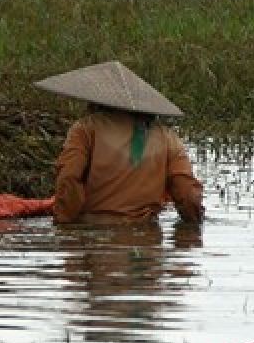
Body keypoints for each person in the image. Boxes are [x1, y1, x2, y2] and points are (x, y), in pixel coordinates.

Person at [35, 60, 204, 225]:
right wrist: (194, 224)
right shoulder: (168, 138)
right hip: (145, 238)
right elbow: (187, 194)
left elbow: (69, 178)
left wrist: (63, 224)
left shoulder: (86, 129)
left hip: (92, 234)